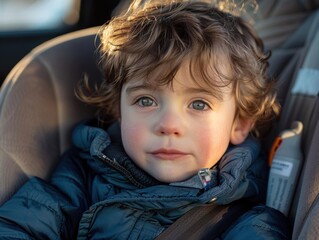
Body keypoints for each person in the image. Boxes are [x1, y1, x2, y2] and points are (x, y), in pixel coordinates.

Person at [0, 0, 290, 239]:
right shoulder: (83, 174)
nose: (169, 125)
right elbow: (21, 226)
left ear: (239, 124)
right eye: (146, 100)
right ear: (118, 110)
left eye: (199, 104)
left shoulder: (249, 221)